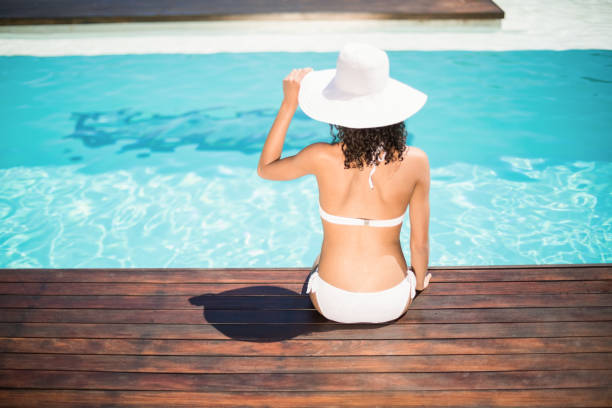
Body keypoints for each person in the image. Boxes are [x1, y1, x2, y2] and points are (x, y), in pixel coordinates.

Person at [257, 43, 432, 324]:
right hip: (391, 300)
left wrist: (289, 104)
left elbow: (266, 169)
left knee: (319, 258)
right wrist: (419, 283)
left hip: (331, 301)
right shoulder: (417, 161)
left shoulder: (320, 156)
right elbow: (419, 244)